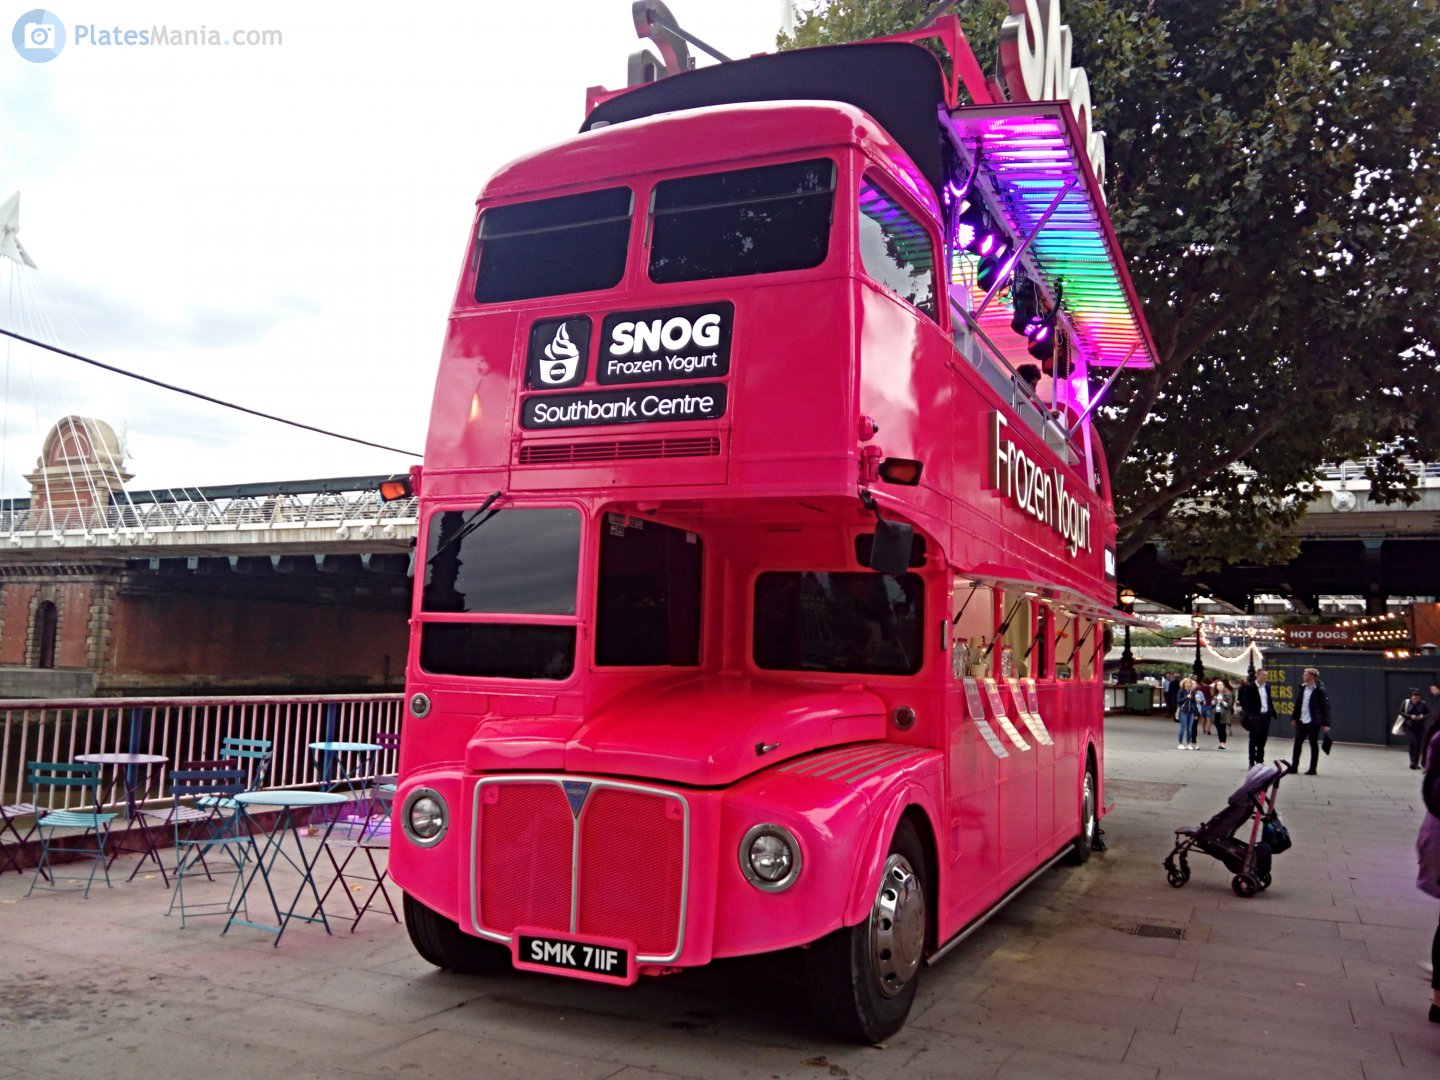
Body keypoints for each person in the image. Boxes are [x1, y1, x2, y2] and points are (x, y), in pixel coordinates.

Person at [1290, 666, 1332, 775]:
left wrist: (1326, 723)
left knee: (1313, 744)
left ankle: (1312, 769)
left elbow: (1325, 707)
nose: (1303, 676)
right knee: (1297, 743)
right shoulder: (1302, 688)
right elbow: (1298, 704)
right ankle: (1294, 767)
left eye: (1305, 674)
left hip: (1313, 722)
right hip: (1301, 721)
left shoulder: (1320, 690)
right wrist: (1294, 717)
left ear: (1312, 676)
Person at [1237, 670, 1277, 766]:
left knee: (1262, 741)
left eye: (1267, 675)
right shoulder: (1251, 688)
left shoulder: (1267, 687)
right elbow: (1245, 702)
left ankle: (1260, 761)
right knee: (1253, 740)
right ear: (1258, 676)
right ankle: (1251, 762)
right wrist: (1251, 715)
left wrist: (1271, 712)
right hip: (1255, 717)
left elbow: (1269, 700)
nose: (1265, 677)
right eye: (1263, 675)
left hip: (1265, 716)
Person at [1402, 689, 1430, 770]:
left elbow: (1427, 714)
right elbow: (1401, 712)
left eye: (1417, 699)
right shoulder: (1406, 702)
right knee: (1412, 742)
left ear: (1420, 698)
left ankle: (1416, 763)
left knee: (1418, 745)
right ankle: (1412, 762)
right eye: (1414, 699)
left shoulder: (1423, 704)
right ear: (1411, 697)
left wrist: (1422, 717)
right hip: (1409, 726)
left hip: (1419, 726)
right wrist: (1410, 716)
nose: (1415, 700)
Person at [1176, 677, 1204, 750]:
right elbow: (1179, 701)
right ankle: (1180, 743)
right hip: (1183, 711)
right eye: (1186, 683)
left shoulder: (1193, 692)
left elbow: (1194, 703)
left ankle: (1188, 744)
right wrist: (1186, 697)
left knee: (1189, 729)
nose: (1188, 684)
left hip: (1191, 712)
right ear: (1184, 684)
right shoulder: (1181, 691)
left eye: (1189, 683)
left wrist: (1195, 714)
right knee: (1183, 727)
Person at [1211, 678, 1233, 750]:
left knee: (1222, 728)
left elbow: (1229, 706)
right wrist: (1215, 701)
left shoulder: (1228, 693)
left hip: (1223, 713)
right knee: (1218, 728)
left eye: (1221, 685)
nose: (1219, 686)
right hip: (1216, 713)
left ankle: (1222, 743)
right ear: (1216, 687)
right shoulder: (1215, 694)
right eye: (1218, 685)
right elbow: (1212, 704)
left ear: (1223, 686)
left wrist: (1222, 701)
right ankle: (1221, 742)